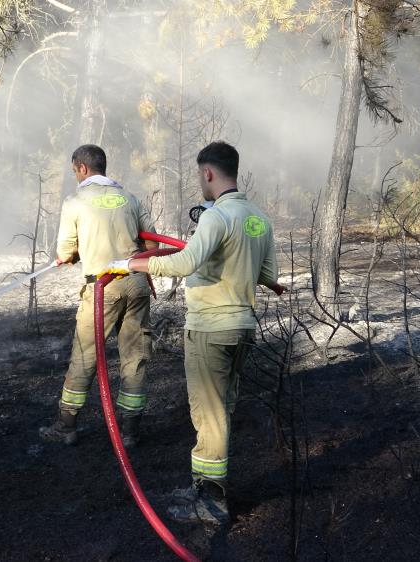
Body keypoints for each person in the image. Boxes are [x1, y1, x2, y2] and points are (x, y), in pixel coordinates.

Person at [108, 141, 284, 525]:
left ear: (208, 173)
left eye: (199, 175)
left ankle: (210, 503)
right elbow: (269, 276)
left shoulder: (216, 218)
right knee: (222, 409)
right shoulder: (257, 218)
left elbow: (186, 262)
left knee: (209, 415)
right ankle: (205, 485)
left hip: (210, 327)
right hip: (242, 328)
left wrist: (133, 263)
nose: (200, 181)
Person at [39, 144, 158, 448]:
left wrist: (77, 253)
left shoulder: (76, 201)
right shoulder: (129, 198)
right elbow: (152, 244)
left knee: (85, 355)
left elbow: (65, 251)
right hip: (136, 284)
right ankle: (130, 431)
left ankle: (66, 427)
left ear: (81, 168)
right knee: (135, 357)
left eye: (74, 171)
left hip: (102, 289)